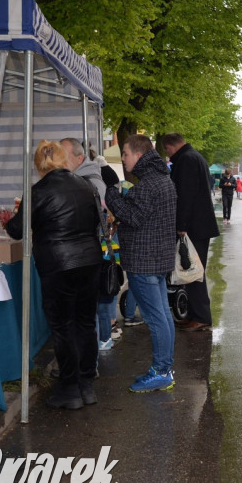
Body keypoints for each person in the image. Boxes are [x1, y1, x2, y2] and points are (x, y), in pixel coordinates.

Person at [6, 141, 103, 409]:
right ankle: (86, 385)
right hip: (90, 261)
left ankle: (70, 389)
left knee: (63, 328)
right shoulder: (87, 185)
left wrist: (9, 220)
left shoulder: (38, 191)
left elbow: (17, 230)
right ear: (63, 160)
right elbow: (97, 221)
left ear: (39, 164)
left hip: (58, 265)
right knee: (84, 324)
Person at [103, 134, 178, 393]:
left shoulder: (149, 183)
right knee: (163, 316)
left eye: (124, 154)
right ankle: (164, 367)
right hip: (156, 258)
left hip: (145, 260)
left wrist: (111, 193)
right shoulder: (159, 178)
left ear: (138, 154)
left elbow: (132, 216)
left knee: (156, 318)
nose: (123, 159)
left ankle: (161, 371)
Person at [60, 137, 118, 349]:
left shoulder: (90, 182)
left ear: (80, 158)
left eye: (64, 156)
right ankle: (92, 351)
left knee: (89, 309)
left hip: (88, 253)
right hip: (83, 252)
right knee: (88, 308)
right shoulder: (82, 178)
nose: (60, 161)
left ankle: (91, 355)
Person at [162, 133, 220, 332]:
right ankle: (195, 314)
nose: (168, 156)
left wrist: (181, 225)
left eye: (168, 151)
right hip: (200, 224)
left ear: (171, 146)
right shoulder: (195, 156)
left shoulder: (186, 160)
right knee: (193, 270)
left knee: (193, 271)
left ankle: (201, 316)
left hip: (193, 226)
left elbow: (185, 195)